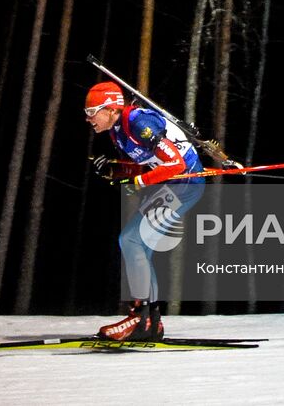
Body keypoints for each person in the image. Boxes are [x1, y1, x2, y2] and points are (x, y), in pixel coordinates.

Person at [85, 80, 206, 341]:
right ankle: (150, 323)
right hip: (173, 186)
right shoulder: (117, 132)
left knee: (130, 240)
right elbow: (147, 166)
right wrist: (116, 170)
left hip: (184, 184)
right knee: (139, 246)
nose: (88, 118)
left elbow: (173, 163)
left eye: (91, 111)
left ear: (110, 108)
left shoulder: (138, 123)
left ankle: (140, 318)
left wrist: (138, 182)